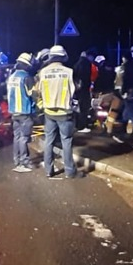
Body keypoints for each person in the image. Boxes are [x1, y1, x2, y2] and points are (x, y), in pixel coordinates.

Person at [37, 45, 80, 179]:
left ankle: (49, 170)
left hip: (49, 112)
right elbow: (75, 89)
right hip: (64, 112)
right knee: (66, 141)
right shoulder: (69, 72)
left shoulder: (43, 72)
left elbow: (38, 91)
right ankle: (69, 171)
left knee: (49, 140)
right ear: (63, 56)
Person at [6, 52, 39, 173]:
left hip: (14, 112)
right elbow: (33, 95)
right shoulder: (26, 77)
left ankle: (17, 160)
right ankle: (24, 161)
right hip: (25, 112)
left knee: (17, 137)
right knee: (24, 138)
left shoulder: (12, 76)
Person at [73, 49, 93, 133]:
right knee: (84, 107)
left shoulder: (77, 63)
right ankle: (82, 126)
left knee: (78, 107)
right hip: (84, 89)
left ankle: (78, 125)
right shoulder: (85, 63)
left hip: (77, 89)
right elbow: (85, 77)